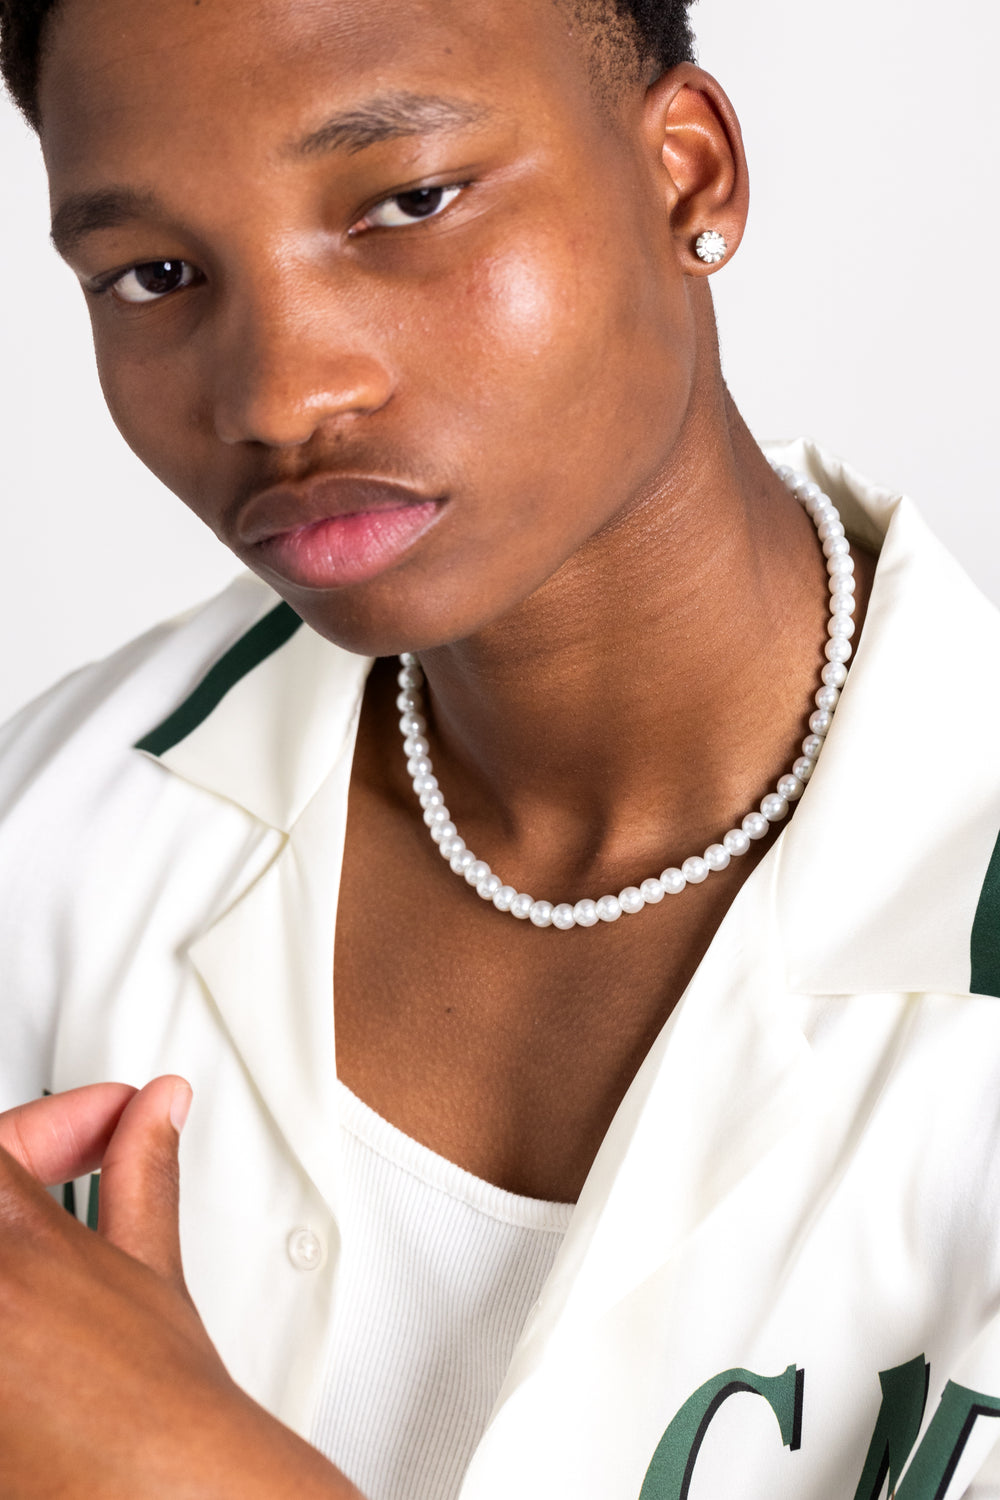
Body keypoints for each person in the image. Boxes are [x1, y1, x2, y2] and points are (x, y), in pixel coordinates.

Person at [2, 0, 1000, 1495]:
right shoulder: (46, 832)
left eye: (409, 202)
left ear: (687, 173)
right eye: (154, 274)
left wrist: (178, 1465)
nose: (280, 396)